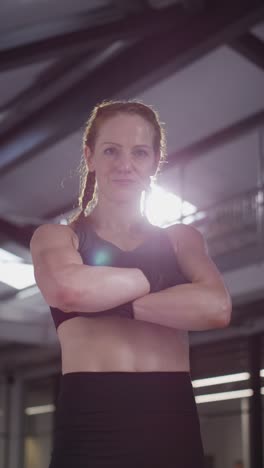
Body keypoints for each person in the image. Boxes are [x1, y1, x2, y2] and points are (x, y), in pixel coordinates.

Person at [30, 100, 232, 467]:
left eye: (139, 152)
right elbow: (68, 291)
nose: (125, 164)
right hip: (91, 427)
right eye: (111, 151)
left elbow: (216, 308)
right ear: (90, 157)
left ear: (155, 161)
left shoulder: (181, 238)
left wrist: (106, 300)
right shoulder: (57, 237)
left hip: (172, 427)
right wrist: (163, 283)